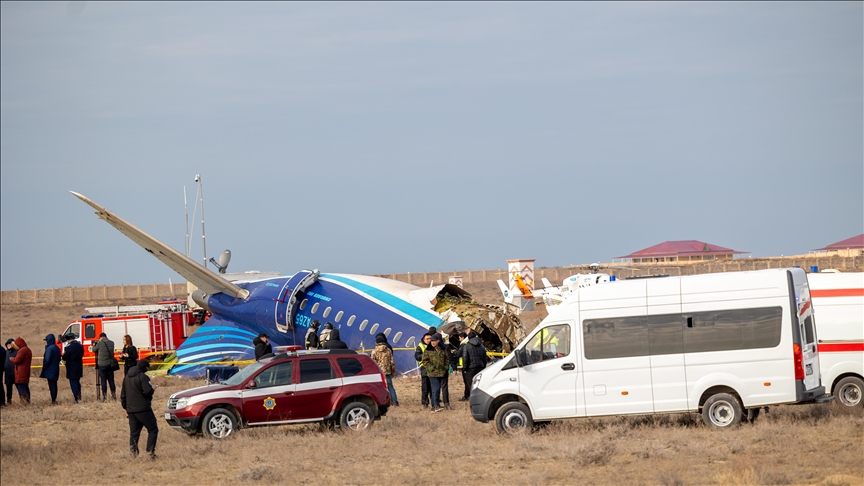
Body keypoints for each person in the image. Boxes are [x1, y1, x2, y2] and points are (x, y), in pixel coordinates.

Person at [121, 359, 158, 460]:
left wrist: (126, 408)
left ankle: (133, 454)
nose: (147, 369)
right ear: (144, 367)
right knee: (153, 429)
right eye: (147, 367)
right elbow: (147, 391)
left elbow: (123, 395)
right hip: (143, 409)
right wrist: (152, 390)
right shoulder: (143, 377)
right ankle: (150, 452)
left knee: (134, 433)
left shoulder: (126, 378)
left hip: (131, 410)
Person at [421, 333, 449, 413]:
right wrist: (431, 368)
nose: (432, 342)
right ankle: (435, 405)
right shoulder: (428, 350)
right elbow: (425, 361)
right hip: (432, 373)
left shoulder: (443, 349)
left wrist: (446, 367)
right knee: (435, 388)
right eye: (431, 341)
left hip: (441, 372)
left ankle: (435, 405)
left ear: (438, 341)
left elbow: (447, 358)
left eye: (434, 341)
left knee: (437, 389)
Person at [460, 330, 488, 401]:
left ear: (468, 338)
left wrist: (465, 369)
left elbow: (465, 359)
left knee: (470, 385)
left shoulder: (467, 346)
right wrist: (483, 367)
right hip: (480, 367)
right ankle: (481, 399)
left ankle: (473, 400)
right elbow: (485, 358)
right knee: (479, 384)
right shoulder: (482, 346)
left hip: (470, 369)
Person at [371, 334, 399, 406]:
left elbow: (372, 363)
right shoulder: (388, 350)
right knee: (390, 387)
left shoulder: (374, 351)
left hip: (378, 372)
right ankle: (395, 401)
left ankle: (381, 402)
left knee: (379, 387)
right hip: (387, 371)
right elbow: (392, 362)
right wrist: (393, 372)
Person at [92, 332, 116, 401]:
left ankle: (104, 396)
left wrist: (94, 345)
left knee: (103, 381)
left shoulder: (100, 343)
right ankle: (113, 395)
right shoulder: (112, 343)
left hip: (102, 365)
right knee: (111, 380)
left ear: (101, 337)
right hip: (110, 365)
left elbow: (94, 350)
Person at [61, 334, 84, 403]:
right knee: (77, 382)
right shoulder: (80, 346)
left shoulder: (68, 348)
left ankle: (76, 398)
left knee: (73, 383)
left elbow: (65, 357)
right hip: (79, 366)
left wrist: (63, 356)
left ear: (68, 340)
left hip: (71, 367)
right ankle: (79, 396)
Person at [9, 337, 32, 404]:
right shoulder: (28, 349)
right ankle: (27, 401)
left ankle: (24, 401)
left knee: (22, 388)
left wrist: (12, 359)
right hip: (25, 371)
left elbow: (17, 360)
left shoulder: (22, 350)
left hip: (21, 372)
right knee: (25, 387)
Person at [39, 334, 61, 405]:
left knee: (51, 385)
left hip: (50, 370)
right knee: (54, 385)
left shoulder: (49, 349)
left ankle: (53, 400)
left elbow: (47, 360)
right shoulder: (57, 348)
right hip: (56, 369)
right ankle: (54, 399)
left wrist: (44, 367)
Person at [414, 333, 432, 408]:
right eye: (427, 339)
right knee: (425, 387)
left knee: (433, 387)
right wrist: (426, 355)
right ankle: (425, 402)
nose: (429, 340)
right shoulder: (420, 346)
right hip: (425, 368)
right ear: (424, 339)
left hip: (433, 368)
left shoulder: (433, 345)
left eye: (430, 338)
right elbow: (417, 356)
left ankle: (434, 402)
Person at [4, 339, 16, 405]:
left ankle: (23, 399)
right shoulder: (6, 352)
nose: (8, 346)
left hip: (15, 372)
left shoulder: (16, 352)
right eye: (7, 344)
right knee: (8, 388)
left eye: (10, 344)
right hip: (7, 373)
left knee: (18, 386)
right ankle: (9, 400)